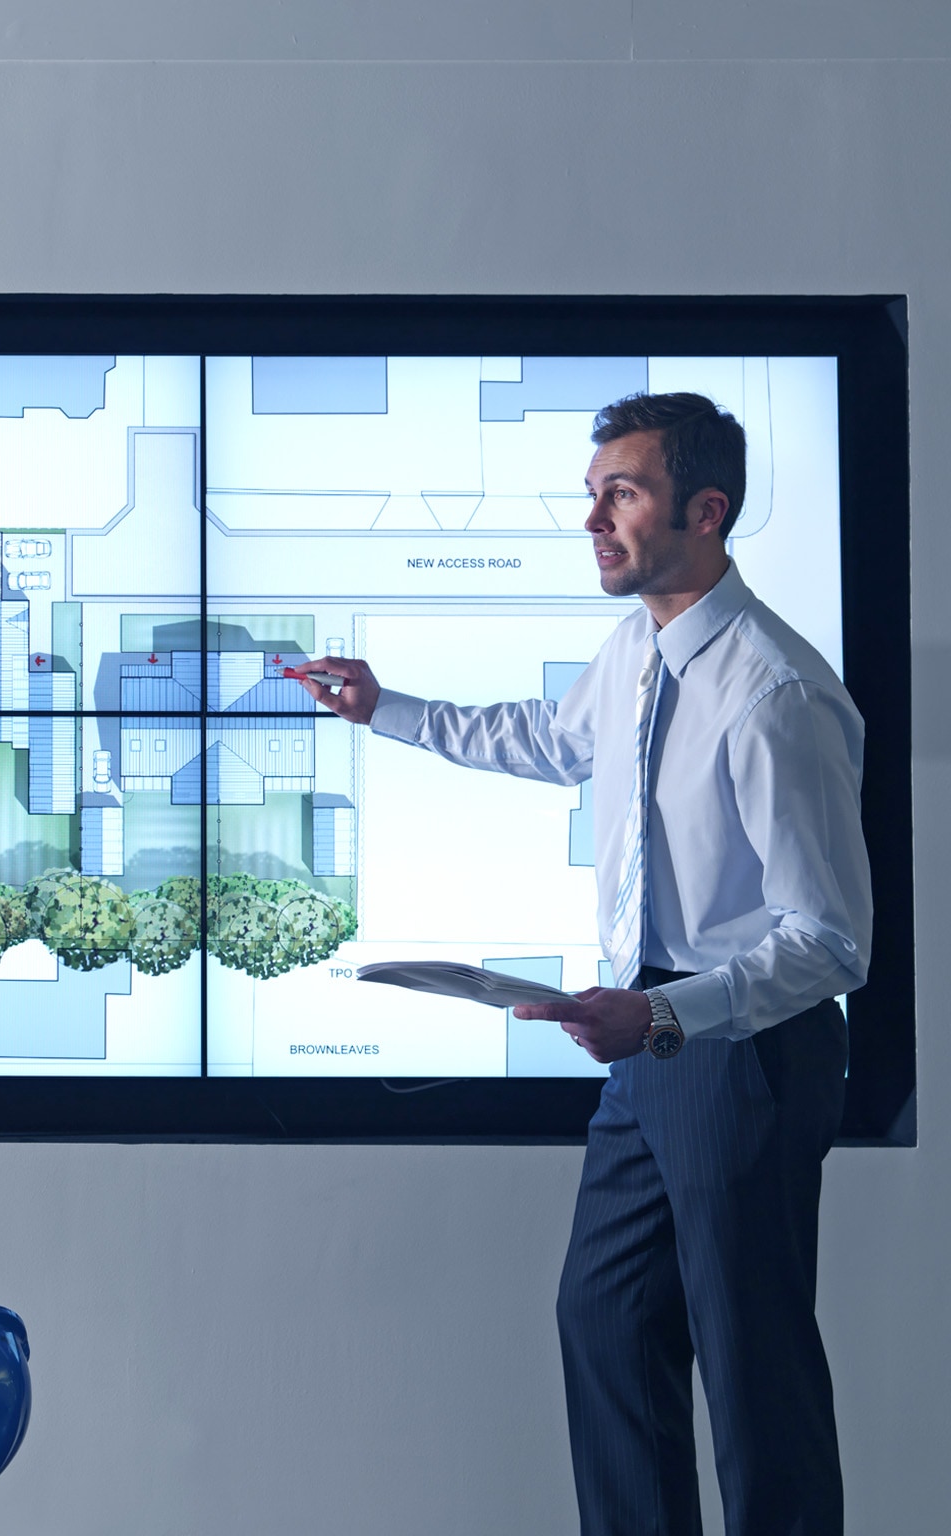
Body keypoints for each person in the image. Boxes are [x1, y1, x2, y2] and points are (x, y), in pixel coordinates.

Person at [299, 392, 870, 1536]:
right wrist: (384, 710)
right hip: (644, 1044)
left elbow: (829, 940)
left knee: (751, 1370)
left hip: (738, 1052)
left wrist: (664, 1022)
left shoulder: (774, 692)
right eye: (593, 492)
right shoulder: (636, 651)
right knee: (603, 1322)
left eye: (625, 492)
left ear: (706, 512)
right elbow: (549, 742)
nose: (595, 518)